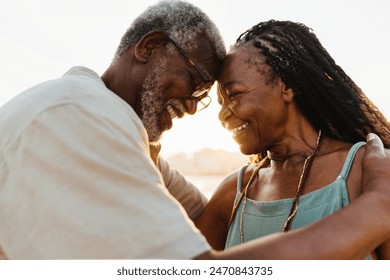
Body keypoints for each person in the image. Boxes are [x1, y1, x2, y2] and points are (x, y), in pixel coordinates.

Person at [0, 1, 389, 260]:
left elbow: (180, 204)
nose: (200, 109)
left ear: (287, 87)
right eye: (198, 82)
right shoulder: (79, 117)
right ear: (150, 47)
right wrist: (377, 210)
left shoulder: (365, 168)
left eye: (223, 94)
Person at [194, 20, 390, 259]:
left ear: (286, 86)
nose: (222, 114)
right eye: (221, 102)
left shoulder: (367, 171)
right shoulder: (234, 192)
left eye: (234, 94)